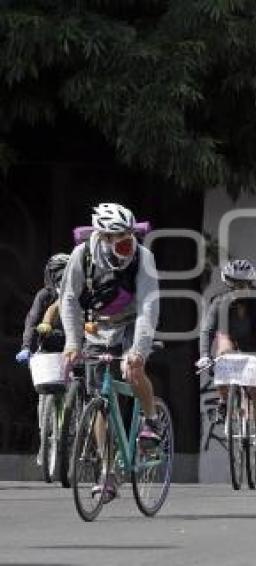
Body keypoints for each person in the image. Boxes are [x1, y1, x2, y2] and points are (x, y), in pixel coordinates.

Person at [60, 203, 160, 502]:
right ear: (102, 235)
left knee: (132, 369)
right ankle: (107, 473)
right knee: (99, 402)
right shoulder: (82, 256)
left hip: (132, 324)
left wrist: (139, 350)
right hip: (98, 327)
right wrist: (72, 342)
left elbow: (148, 306)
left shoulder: (143, 257)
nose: (124, 240)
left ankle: (150, 421)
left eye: (128, 233)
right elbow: (69, 299)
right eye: (116, 235)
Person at [197, 258, 256, 474]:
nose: (240, 289)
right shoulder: (219, 302)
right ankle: (225, 401)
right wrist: (205, 356)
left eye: (244, 284)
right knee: (222, 354)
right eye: (235, 284)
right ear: (228, 283)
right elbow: (207, 331)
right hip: (231, 341)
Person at [16, 253, 70, 467]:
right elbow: (31, 321)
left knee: (79, 390)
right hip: (47, 349)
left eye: (65, 272)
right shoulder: (44, 295)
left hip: (75, 350)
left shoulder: (80, 293)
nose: (61, 277)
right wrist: (26, 347)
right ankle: (44, 440)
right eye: (57, 273)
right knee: (44, 397)